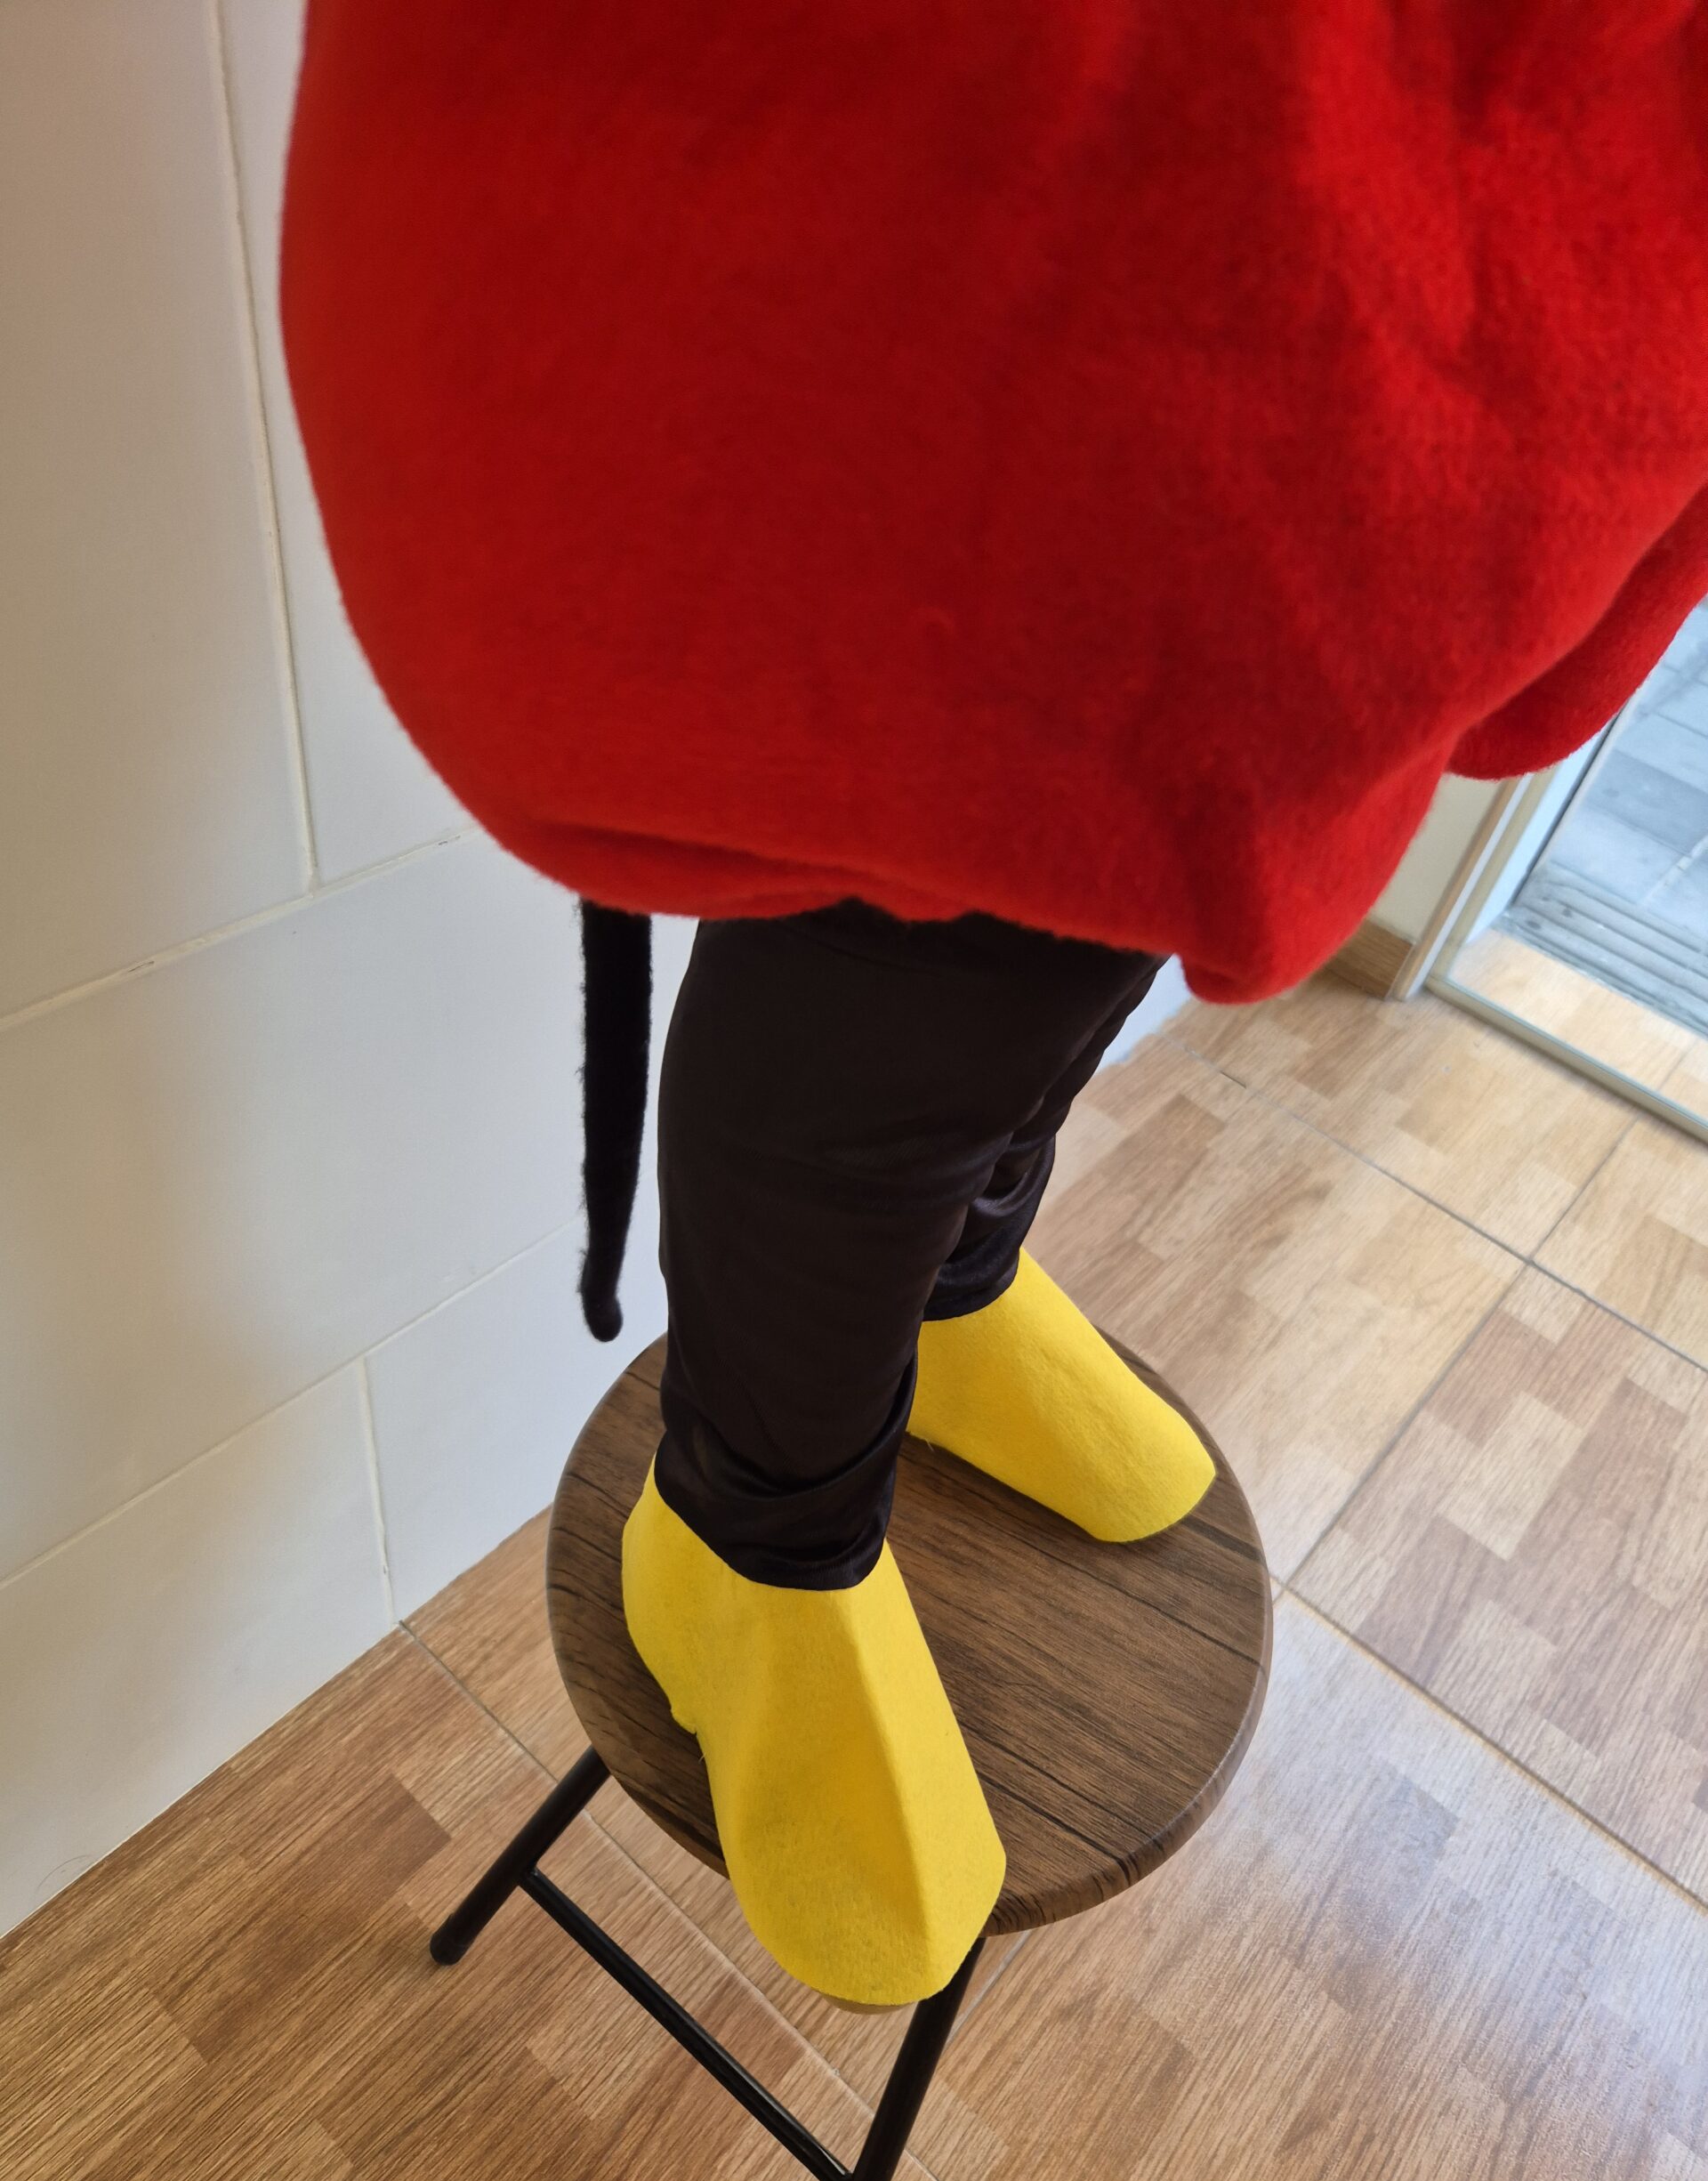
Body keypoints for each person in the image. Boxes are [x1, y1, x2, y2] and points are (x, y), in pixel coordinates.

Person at [280, 0, 1708, 2004]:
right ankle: (749, 1530)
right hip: (1012, 186)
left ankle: (951, 1290)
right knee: (933, 858)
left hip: (1441, 212)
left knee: (1140, 853)